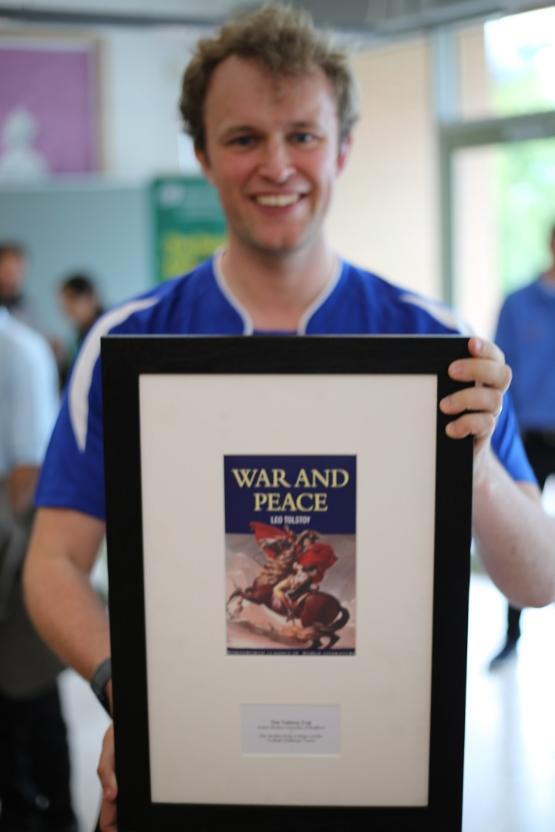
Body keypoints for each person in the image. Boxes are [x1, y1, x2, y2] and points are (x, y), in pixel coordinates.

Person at [22, 6, 555, 829]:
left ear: (341, 147)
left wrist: (477, 458)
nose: (277, 164)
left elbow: (536, 578)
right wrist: (135, 697)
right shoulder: (127, 343)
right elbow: (53, 562)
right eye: (242, 138)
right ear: (201, 154)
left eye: (303, 135)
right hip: (186, 769)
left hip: (383, 771)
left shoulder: (437, 343)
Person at [0, 306, 77, 831]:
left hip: (14, 543)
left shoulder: (18, 350)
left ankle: (51, 813)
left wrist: (16, 554)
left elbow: (27, 469)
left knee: (27, 689)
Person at [489, 222, 555, 669]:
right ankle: (511, 638)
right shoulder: (518, 304)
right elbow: (498, 378)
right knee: (520, 538)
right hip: (531, 439)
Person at [58, 273, 105, 387]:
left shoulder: (105, 331)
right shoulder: (80, 334)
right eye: (64, 302)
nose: (68, 308)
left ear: (91, 299)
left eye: (73, 299)